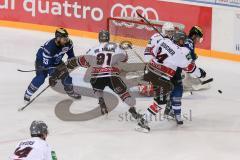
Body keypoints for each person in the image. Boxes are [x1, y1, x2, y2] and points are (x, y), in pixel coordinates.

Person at [136, 30, 206, 133]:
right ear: (178, 40)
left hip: (150, 72)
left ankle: (146, 119)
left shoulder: (163, 41)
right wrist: (200, 73)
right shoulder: (180, 52)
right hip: (160, 77)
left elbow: (150, 52)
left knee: (162, 98)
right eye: (182, 41)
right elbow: (189, 68)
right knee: (160, 102)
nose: (183, 43)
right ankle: (142, 122)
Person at [66, 30, 142, 119]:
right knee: (123, 93)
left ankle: (101, 100)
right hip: (112, 76)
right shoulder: (116, 46)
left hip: (96, 76)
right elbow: (124, 59)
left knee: (97, 87)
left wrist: (70, 64)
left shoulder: (93, 49)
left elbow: (84, 62)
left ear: (99, 38)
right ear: (108, 38)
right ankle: (132, 109)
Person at [24, 28, 81, 102]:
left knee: (66, 77)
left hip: (57, 61)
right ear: (58, 38)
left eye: (66, 38)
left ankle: (71, 92)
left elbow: (71, 55)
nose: (66, 40)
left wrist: (71, 61)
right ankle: (28, 94)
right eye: (64, 38)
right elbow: (47, 65)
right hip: (42, 62)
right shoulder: (50, 47)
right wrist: (53, 76)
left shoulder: (68, 43)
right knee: (41, 78)